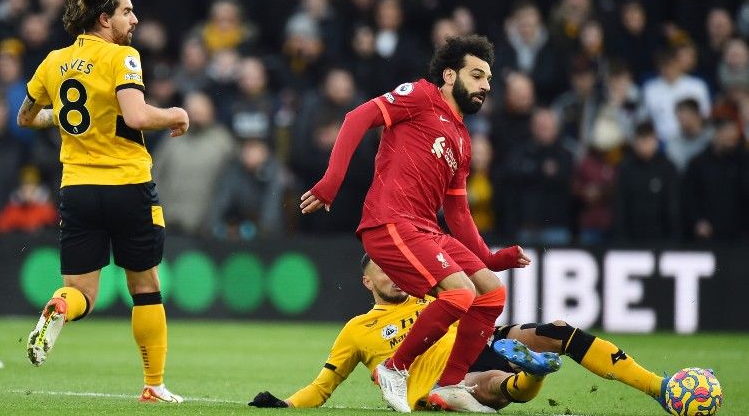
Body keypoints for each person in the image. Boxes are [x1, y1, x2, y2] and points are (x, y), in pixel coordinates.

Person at [300, 34, 529, 413]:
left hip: (426, 229)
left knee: (490, 292)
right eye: (477, 76)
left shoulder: (462, 139)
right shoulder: (420, 96)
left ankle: (451, 383)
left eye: (489, 79)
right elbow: (357, 117)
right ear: (450, 75)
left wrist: (489, 258)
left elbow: (457, 213)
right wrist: (330, 183)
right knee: (459, 294)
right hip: (389, 222)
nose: (486, 86)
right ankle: (395, 368)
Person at [17, 0, 188, 403]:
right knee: (145, 287)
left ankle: (58, 307)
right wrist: (176, 115)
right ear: (104, 17)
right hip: (128, 186)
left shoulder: (53, 62)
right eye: (126, 11)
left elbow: (25, 117)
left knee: (81, 293)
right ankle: (153, 384)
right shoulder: (122, 56)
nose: (134, 18)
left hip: (77, 189)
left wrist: (57, 115)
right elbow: (137, 116)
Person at [248, 254, 670, 413]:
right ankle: (535, 374)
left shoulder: (435, 294)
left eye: (398, 267)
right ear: (367, 282)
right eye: (385, 271)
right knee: (488, 385)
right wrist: (284, 404)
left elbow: (473, 277)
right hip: (442, 384)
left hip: (476, 343)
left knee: (557, 329)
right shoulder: (358, 331)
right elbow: (322, 388)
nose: (396, 275)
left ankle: (658, 387)